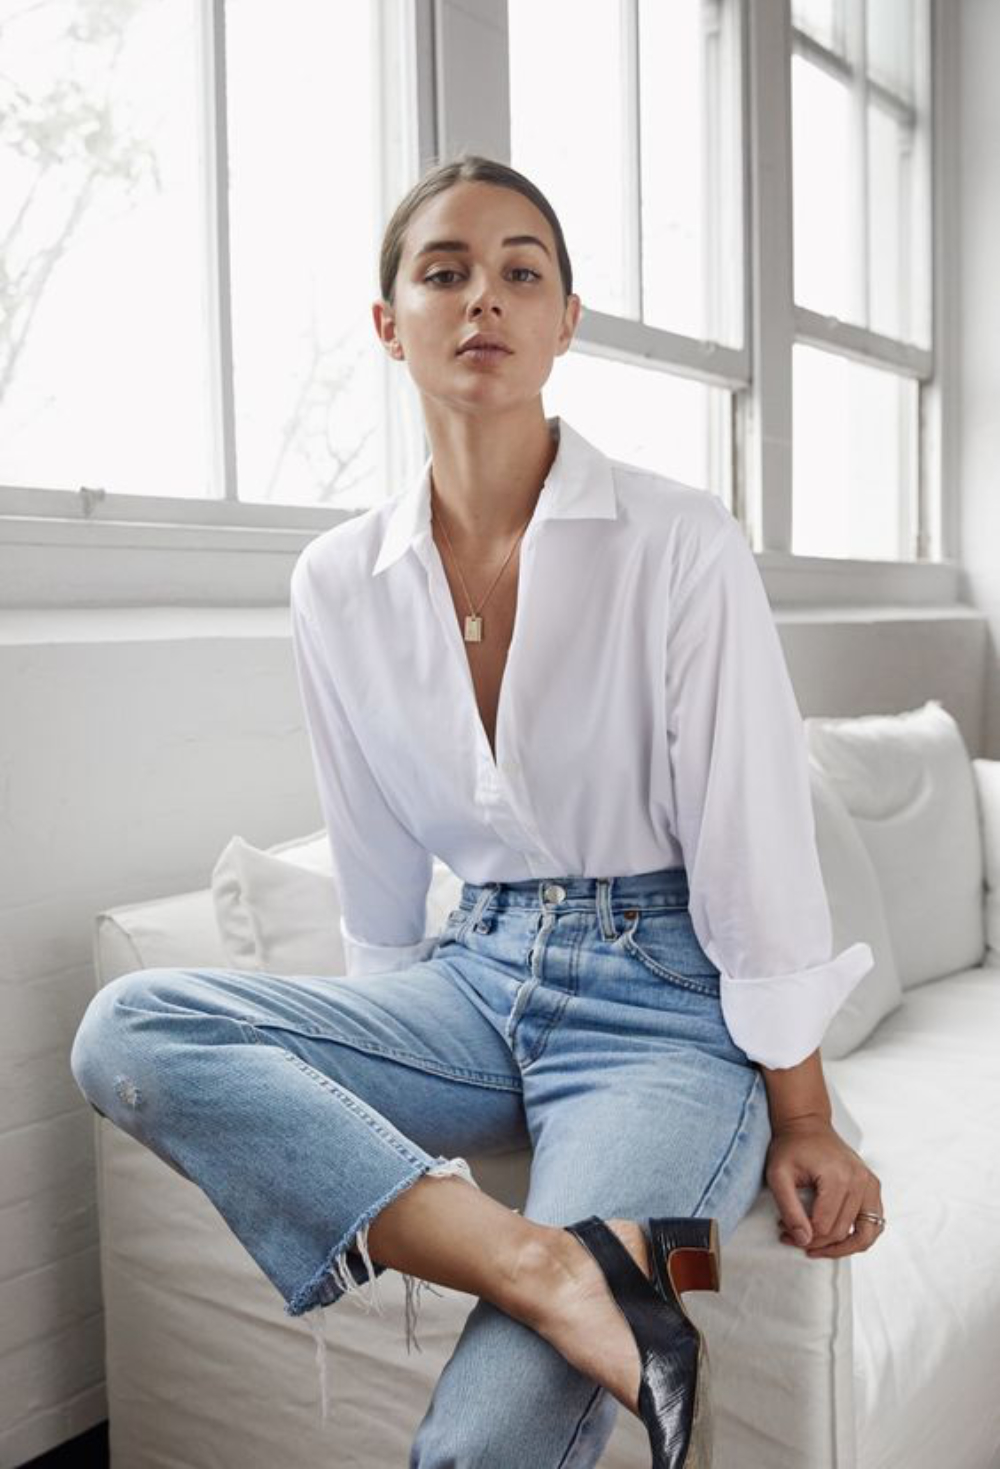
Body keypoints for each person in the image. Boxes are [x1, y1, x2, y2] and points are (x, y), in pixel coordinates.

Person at [70, 154, 886, 1467]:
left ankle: (587, 1276)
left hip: (669, 1014)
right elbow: (373, 851)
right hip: (472, 981)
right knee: (130, 1025)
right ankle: (545, 1267)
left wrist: (801, 1116)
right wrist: (376, 1071)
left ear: (567, 322)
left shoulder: (679, 539)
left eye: (522, 272)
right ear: (389, 324)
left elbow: (753, 836)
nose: (483, 298)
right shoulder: (337, 579)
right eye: (443, 272)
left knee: (487, 1444)